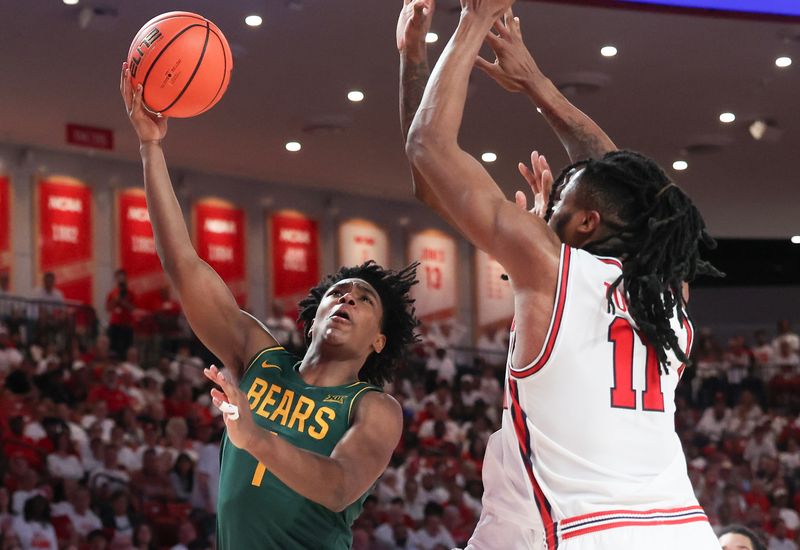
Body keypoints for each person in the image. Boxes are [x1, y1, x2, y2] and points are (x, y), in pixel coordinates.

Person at [400, 0, 722, 547]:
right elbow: (631, 190)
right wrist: (536, 84)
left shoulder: (548, 265)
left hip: (579, 532)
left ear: (588, 222)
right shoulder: (668, 290)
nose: (547, 213)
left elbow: (428, 148)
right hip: (681, 529)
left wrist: (472, 22)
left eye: (560, 206)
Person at [120, 63, 419, 549]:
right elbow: (182, 263)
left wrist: (255, 436)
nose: (347, 298)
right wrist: (150, 147)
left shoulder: (373, 408)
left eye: (363, 300)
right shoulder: (260, 358)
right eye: (338, 292)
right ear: (315, 313)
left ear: (378, 340)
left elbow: (340, 486)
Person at [105, 269, 136, 360]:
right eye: (119, 278)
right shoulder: (112, 294)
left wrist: (123, 302)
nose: (121, 280)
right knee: (114, 349)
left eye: (122, 277)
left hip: (127, 325)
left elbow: (133, 308)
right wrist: (115, 300)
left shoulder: (131, 293)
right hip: (115, 325)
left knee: (126, 349)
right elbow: (108, 308)